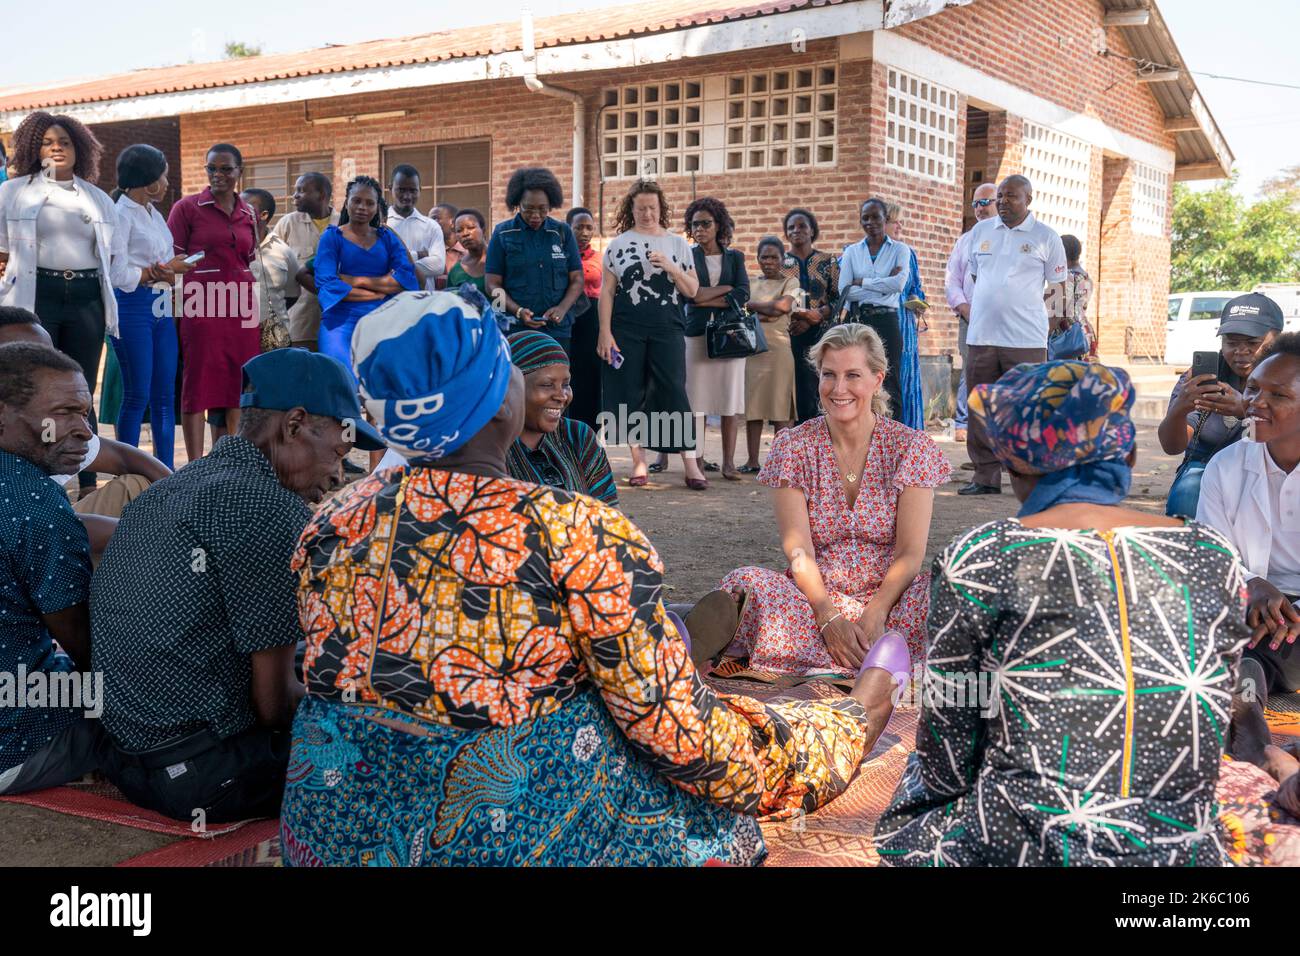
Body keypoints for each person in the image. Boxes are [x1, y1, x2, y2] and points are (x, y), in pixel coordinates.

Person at [278, 290, 904, 867]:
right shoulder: (572, 531)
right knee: (715, 821)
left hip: (336, 828)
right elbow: (685, 737)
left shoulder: (334, 521)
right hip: (494, 839)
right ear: (501, 397)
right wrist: (840, 732)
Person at [876, 360, 1250, 866]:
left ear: (1012, 467)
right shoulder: (1213, 554)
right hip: (1178, 850)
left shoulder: (982, 557)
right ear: (1132, 455)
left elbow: (949, 747)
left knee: (914, 789)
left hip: (1020, 846)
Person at [93, 348, 385, 823]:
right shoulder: (271, 509)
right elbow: (273, 705)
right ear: (294, 425)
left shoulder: (179, 483)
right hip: (201, 777)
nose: (337, 474)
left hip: (125, 756)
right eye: (339, 450)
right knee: (406, 743)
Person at [721, 323, 949, 676]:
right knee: (746, 583)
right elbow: (799, 552)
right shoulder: (794, 446)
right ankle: (878, 665)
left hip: (893, 602)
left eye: (853, 375)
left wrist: (876, 613)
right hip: (815, 600)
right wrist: (828, 618)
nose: (839, 388)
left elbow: (910, 554)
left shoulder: (910, 448)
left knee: (950, 589)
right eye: (829, 375)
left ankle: (816, 662)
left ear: (877, 379)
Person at [0, 343, 102, 794]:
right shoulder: (34, 501)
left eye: (85, 412)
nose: (84, 430)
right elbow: (89, 651)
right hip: (17, 743)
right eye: (64, 413)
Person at [0, 111, 119, 493]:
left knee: (81, 391)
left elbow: (111, 257)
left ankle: (87, 481)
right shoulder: (13, 192)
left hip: (86, 298)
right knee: (33, 390)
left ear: (78, 148)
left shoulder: (96, 198)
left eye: (64, 142)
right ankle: (34, 480)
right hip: (38, 296)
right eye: (48, 142)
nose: (56, 148)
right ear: (34, 148)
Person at [0, 307, 169, 560]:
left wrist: (185, 498)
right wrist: (155, 535)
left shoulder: (47, 419)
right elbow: (36, 526)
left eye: (46, 356)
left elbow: (124, 457)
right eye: (22, 357)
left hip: (46, 539)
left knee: (140, 485)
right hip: (24, 558)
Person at [1198, 332, 1300, 704]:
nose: (1257, 403)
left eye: (1279, 395)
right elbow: (1211, 552)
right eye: (1254, 390)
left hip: (1289, 618)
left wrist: (1290, 614)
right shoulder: (1226, 465)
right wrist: (1251, 584)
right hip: (1246, 601)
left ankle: (1247, 700)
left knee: (1262, 646)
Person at [596, 179, 707, 490]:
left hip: (668, 326)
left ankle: (690, 464)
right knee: (629, 390)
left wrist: (671, 267)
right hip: (626, 327)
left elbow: (694, 290)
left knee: (673, 389)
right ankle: (639, 461)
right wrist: (604, 333)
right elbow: (607, 292)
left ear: (662, 209)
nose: (647, 213)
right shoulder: (617, 245)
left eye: (652, 208)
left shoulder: (677, 244)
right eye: (641, 207)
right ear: (631, 209)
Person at [960, 174, 1067, 496]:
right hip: (981, 337)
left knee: (1028, 409)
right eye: (1001, 197)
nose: (1004, 202)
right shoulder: (980, 232)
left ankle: (1028, 477)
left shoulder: (1046, 237)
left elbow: (1059, 288)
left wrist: (1048, 325)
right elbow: (978, 277)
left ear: (1028, 200)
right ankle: (985, 477)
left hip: (1026, 341)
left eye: (1012, 197)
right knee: (980, 407)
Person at [167, 143, 260, 462]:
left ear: (239, 172)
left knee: (238, 382)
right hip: (201, 306)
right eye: (212, 169)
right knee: (198, 384)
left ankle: (230, 460)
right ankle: (194, 464)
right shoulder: (187, 207)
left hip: (242, 307)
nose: (218, 175)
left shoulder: (248, 211)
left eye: (225, 169)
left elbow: (250, 258)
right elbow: (172, 260)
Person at [1160, 293, 1282, 518]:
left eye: (1252, 343)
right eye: (1231, 343)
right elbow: (1172, 447)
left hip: (1274, 468)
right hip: (1206, 467)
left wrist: (1245, 409)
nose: (1241, 351)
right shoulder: (1203, 378)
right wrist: (1180, 409)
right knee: (1188, 494)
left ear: (1277, 339)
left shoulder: (1290, 377)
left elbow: (1284, 438)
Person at [108, 144, 191, 470]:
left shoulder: (154, 214)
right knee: (136, 395)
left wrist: (172, 271)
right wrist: (151, 273)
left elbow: (161, 265)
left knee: (164, 396)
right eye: (163, 176)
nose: (167, 182)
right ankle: (127, 474)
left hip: (160, 307)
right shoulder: (120, 214)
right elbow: (116, 273)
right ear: (146, 179)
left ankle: (164, 472)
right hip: (131, 308)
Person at [312, 175, 419, 382]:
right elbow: (327, 284)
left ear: (377, 207)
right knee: (341, 379)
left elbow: (405, 278)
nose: (362, 207)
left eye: (370, 203)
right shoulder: (332, 237)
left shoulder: (387, 238)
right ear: (346, 203)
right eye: (357, 201)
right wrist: (380, 291)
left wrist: (356, 280)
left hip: (384, 318)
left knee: (386, 382)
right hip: (339, 322)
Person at [503, 329, 617, 506]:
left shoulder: (577, 436)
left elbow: (609, 514)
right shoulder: (489, 446)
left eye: (566, 384)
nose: (561, 396)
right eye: (547, 385)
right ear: (510, 387)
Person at [681, 196, 749, 481]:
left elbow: (743, 293)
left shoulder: (735, 257)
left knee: (729, 401)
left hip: (730, 336)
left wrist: (706, 297)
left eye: (706, 223)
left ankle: (729, 463)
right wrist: (724, 290)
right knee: (696, 401)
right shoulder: (687, 256)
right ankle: (696, 462)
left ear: (718, 224)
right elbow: (689, 294)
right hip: (696, 336)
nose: (700, 229)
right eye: (695, 224)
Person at [484, 167, 584, 348]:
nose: (536, 215)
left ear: (551, 205)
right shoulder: (502, 233)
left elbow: (577, 279)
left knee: (557, 376)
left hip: (557, 329)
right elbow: (492, 285)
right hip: (516, 329)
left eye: (542, 209)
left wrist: (562, 308)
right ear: (517, 204)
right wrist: (518, 310)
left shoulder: (562, 232)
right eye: (528, 209)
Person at [838, 198, 911, 420]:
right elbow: (845, 291)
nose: (870, 222)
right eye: (865, 218)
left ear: (885, 218)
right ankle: (862, 431)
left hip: (887, 321)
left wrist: (863, 282)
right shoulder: (852, 251)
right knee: (859, 377)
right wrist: (882, 283)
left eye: (875, 217)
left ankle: (894, 438)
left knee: (890, 379)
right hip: (860, 320)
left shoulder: (900, 249)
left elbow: (898, 285)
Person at [944, 182, 997, 445]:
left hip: (1002, 320)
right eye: (976, 203)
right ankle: (963, 422)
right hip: (970, 318)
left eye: (986, 202)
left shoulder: (1007, 237)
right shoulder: (965, 241)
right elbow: (952, 279)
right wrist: (964, 307)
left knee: (999, 370)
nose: (980, 208)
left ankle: (995, 427)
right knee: (971, 369)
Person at [741, 236, 800, 473]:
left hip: (779, 350)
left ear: (783, 259)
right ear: (757, 259)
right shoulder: (750, 283)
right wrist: (768, 310)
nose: (769, 261)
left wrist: (753, 306)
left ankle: (780, 463)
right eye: (764, 256)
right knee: (752, 408)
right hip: (753, 350)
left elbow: (784, 308)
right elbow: (744, 313)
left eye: (774, 256)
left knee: (781, 407)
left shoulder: (792, 282)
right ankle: (752, 461)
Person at [780, 208, 840, 423]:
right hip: (790, 334)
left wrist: (819, 315)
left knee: (822, 385)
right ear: (786, 234)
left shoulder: (828, 261)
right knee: (797, 391)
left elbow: (838, 298)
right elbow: (775, 297)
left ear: (812, 230)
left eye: (802, 226)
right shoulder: (780, 264)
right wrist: (804, 318)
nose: (797, 230)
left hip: (822, 334)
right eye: (791, 227)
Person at [274, 171, 337, 350]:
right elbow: (269, 267)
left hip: (336, 323)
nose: (295, 195)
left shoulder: (343, 224)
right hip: (298, 324)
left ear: (322, 195)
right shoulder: (287, 224)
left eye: (302, 191)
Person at [883, 203, 928, 430]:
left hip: (905, 328)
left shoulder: (908, 253)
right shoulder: (864, 252)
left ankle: (909, 435)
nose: (900, 226)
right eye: (895, 221)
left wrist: (918, 299)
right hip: (880, 324)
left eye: (902, 221)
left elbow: (917, 287)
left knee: (906, 381)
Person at [242, 187, 299, 352]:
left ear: (263, 215)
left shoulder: (283, 251)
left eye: (245, 208)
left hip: (274, 338)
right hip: (238, 334)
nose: (238, 211)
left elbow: (291, 295)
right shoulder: (227, 246)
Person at [566, 205, 603, 429]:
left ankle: (590, 431)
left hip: (592, 319)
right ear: (568, 228)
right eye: (579, 227)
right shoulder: (560, 254)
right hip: (567, 316)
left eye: (589, 227)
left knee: (591, 374)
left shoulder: (599, 258)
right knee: (568, 373)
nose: (585, 232)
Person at [385, 164, 445, 291]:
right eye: (401, 190)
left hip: (423, 302)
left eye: (412, 191)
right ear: (390, 188)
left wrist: (397, 266)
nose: (407, 196)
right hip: (389, 301)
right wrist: (418, 255)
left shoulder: (431, 226)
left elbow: (438, 265)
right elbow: (380, 262)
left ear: (420, 190)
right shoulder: (383, 224)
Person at [1054, 234, 1097, 360]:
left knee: (1066, 375)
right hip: (1085, 330)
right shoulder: (1086, 276)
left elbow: (1060, 311)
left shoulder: (1066, 278)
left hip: (1069, 335)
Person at [446, 208, 486, 294]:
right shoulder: (456, 271)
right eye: (459, 231)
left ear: (483, 229)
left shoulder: (500, 260)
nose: (465, 234)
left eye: (471, 227)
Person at [432, 201, 463, 287]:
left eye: (435, 218)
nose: (431, 223)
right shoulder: (429, 252)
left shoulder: (470, 252)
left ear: (453, 223)